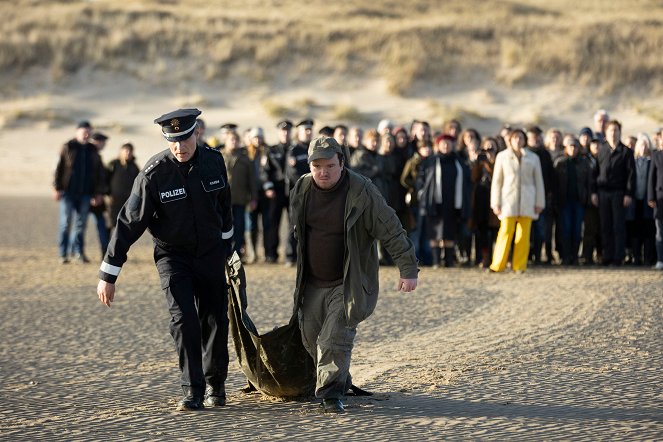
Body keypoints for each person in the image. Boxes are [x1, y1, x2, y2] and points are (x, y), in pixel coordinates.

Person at [96, 108, 234, 411]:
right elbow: (128, 224)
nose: (179, 147)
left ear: (196, 133)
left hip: (211, 254)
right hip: (174, 257)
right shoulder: (153, 174)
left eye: (184, 139)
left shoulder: (214, 162)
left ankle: (216, 386)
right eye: (173, 141)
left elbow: (224, 209)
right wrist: (109, 275)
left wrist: (229, 250)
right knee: (184, 321)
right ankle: (193, 390)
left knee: (215, 321)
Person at [289, 136, 418, 413]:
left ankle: (331, 394)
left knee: (333, 339)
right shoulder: (301, 188)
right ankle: (340, 379)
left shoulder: (362, 191)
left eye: (330, 166)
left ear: (342, 163)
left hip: (348, 282)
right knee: (311, 339)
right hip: (312, 282)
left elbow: (391, 229)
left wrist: (408, 269)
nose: (323, 172)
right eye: (317, 166)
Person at [489, 129, 545, 273]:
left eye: (520, 138)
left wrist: (539, 202)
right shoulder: (502, 157)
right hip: (508, 200)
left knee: (523, 235)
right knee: (505, 232)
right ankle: (497, 265)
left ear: (525, 140)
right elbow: (497, 181)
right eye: (515, 138)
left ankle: (519, 265)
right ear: (510, 140)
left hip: (528, 200)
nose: (518, 141)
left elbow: (538, 181)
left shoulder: (533, 157)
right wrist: (495, 202)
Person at [53, 120, 105, 264]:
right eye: (84, 131)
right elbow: (59, 168)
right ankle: (63, 254)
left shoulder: (92, 150)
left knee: (81, 225)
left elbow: (98, 172)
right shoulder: (68, 146)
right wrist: (56, 188)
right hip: (68, 193)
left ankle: (78, 253)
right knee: (66, 223)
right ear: (77, 132)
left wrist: (98, 193)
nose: (86, 134)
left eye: (89, 132)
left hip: (86, 194)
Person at [417, 134, 470, 268]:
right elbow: (421, 179)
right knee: (435, 232)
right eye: (443, 143)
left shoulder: (458, 161)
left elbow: (467, 180)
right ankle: (436, 261)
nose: (445, 146)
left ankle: (449, 261)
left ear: (452, 145)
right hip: (434, 202)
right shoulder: (431, 160)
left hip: (453, 202)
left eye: (448, 143)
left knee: (449, 233)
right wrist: (422, 193)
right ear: (438, 145)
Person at [594, 120, 635, 266]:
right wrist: (594, 193)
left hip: (619, 194)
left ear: (620, 132)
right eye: (611, 130)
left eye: (616, 130)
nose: (613, 133)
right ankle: (608, 255)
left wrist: (628, 194)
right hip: (603, 193)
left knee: (618, 226)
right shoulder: (602, 150)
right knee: (605, 226)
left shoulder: (626, 152)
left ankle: (618, 256)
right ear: (605, 133)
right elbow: (595, 172)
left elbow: (631, 175)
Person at [553, 139, 595, 265]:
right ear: (566, 148)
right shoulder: (560, 163)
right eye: (570, 147)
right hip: (564, 202)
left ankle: (575, 256)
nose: (573, 149)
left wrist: (587, 199)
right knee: (565, 229)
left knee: (577, 230)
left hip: (579, 202)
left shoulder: (584, 163)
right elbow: (555, 184)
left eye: (575, 147)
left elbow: (589, 183)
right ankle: (566, 256)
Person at [224, 131, 258, 262]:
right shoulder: (219, 157)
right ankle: (226, 254)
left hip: (240, 199)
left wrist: (254, 198)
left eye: (235, 140)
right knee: (225, 229)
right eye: (231, 140)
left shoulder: (245, 159)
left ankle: (237, 254)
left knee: (240, 228)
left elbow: (252, 181)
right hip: (223, 201)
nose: (233, 142)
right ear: (226, 141)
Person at [285, 119, 315, 266]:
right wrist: (310, 181)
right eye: (305, 130)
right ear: (299, 132)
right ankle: (290, 256)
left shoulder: (315, 149)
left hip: (315, 193)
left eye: (310, 129)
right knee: (294, 225)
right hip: (298, 193)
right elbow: (292, 173)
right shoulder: (293, 150)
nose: (308, 132)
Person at [261, 120, 292, 263]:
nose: (285, 133)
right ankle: (271, 254)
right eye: (283, 131)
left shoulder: (295, 149)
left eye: (288, 131)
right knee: (273, 223)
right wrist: (268, 187)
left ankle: (291, 254)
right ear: (279, 133)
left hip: (292, 191)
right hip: (276, 191)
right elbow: (265, 171)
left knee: (293, 224)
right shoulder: (271, 150)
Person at [526, 125, 555, 265]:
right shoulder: (524, 153)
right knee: (527, 229)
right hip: (526, 197)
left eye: (538, 136)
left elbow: (550, 176)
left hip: (542, 197)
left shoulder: (545, 154)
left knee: (540, 229)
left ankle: (538, 256)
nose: (535, 139)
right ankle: (527, 256)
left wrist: (548, 193)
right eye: (533, 136)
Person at [470, 137, 500, 268]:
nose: (487, 151)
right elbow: (473, 178)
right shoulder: (479, 162)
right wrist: (478, 162)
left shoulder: (499, 161)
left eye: (491, 148)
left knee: (495, 231)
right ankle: (484, 258)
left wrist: (490, 162)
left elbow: (497, 177)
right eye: (485, 149)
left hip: (495, 199)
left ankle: (497, 258)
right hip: (481, 200)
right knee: (482, 231)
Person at [626, 134, 655, 266]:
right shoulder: (632, 161)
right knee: (635, 229)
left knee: (648, 229)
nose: (643, 148)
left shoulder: (652, 161)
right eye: (641, 145)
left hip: (647, 201)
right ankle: (636, 257)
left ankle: (648, 257)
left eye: (645, 145)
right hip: (634, 201)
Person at [88, 132, 111, 259]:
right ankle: (76, 252)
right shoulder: (90, 156)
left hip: (97, 197)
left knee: (102, 224)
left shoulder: (96, 156)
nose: (104, 145)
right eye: (103, 142)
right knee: (79, 226)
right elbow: (90, 178)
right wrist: (95, 195)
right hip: (90, 198)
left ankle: (105, 252)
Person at [107, 143, 140, 228]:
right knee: (111, 223)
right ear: (121, 151)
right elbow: (105, 179)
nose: (128, 152)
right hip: (114, 200)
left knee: (125, 224)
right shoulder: (113, 164)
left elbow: (138, 184)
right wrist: (107, 194)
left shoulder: (134, 167)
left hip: (128, 201)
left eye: (130, 151)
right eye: (126, 150)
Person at [647, 140, 663, 270]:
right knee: (659, 232)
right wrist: (651, 196)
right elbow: (651, 177)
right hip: (659, 198)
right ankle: (660, 260)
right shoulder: (656, 155)